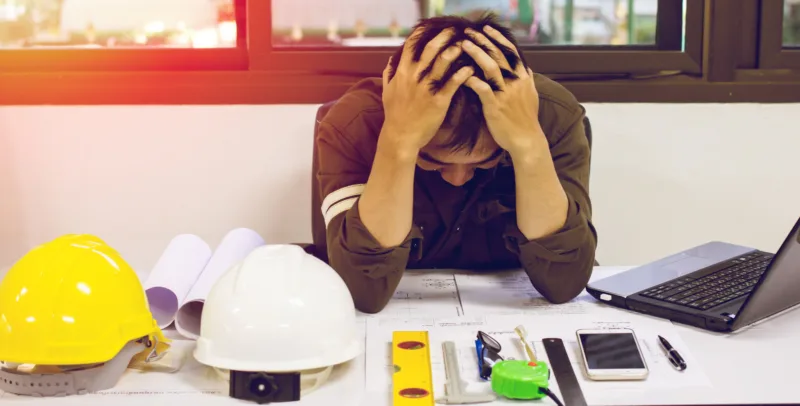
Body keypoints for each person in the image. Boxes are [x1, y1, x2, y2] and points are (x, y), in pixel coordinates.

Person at [315, 13, 597, 314]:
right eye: (434, 162)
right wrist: (399, 142)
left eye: (483, 162)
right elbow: (362, 291)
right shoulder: (354, 124)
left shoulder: (552, 118)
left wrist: (528, 145)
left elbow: (565, 281)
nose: (458, 178)